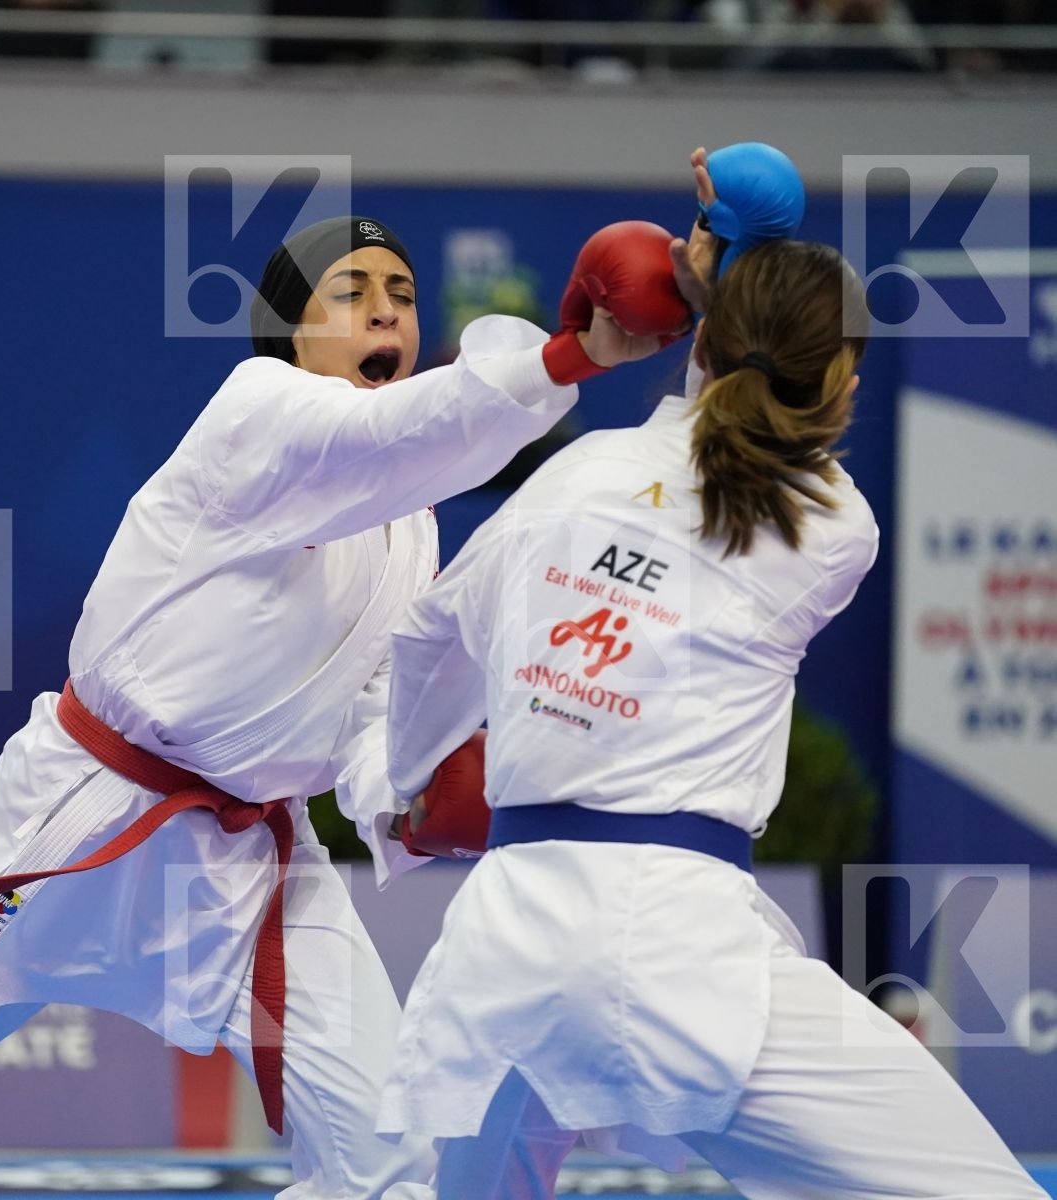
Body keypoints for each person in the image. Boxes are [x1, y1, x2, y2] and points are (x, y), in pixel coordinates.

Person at [0, 215, 679, 1197]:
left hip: (253, 860)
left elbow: (373, 704)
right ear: (289, 335)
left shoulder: (411, 524)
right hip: (84, 816)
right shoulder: (258, 416)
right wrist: (567, 354)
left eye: (401, 296)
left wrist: (408, 800)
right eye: (354, 295)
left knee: (380, 1153)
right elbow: (402, 438)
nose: (386, 310)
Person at [375, 237, 1047, 1198]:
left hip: (506, 946)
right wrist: (724, 275)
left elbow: (426, 643)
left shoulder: (567, 478)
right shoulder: (828, 529)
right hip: (680, 953)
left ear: (701, 347)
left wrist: (406, 790)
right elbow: (738, 446)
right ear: (839, 386)